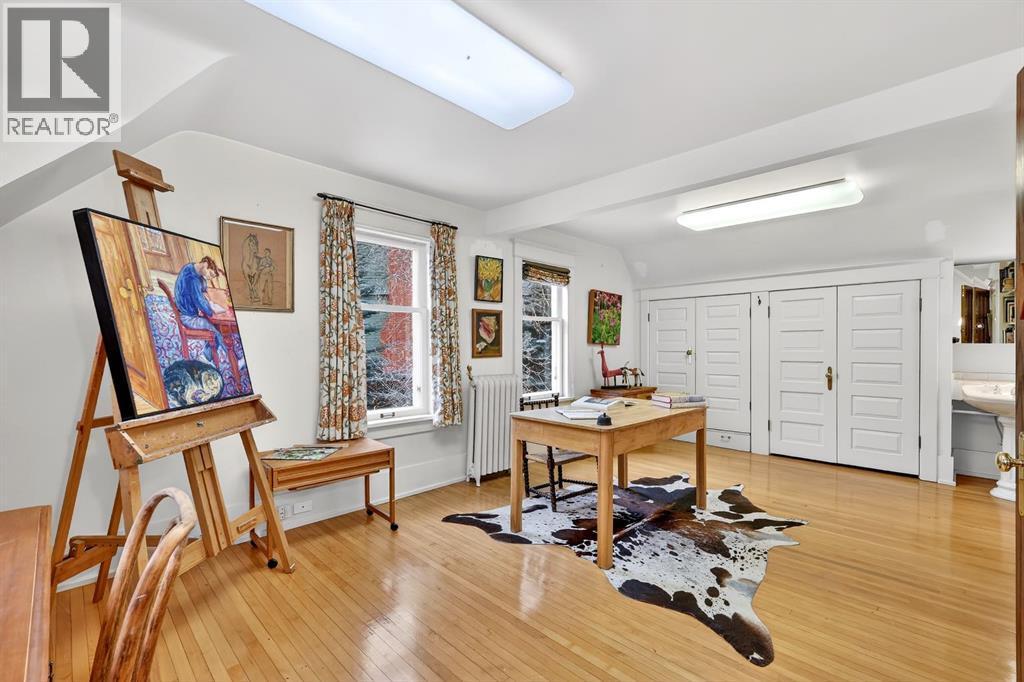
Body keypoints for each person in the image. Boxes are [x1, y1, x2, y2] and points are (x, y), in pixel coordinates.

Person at [173, 256, 228, 365]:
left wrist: (208, 301)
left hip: (186, 311)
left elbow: (203, 289)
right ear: (205, 264)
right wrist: (212, 311)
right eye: (210, 274)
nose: (209, 278)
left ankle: (207, 354)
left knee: (214, 324)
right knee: (216, 329)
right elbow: (199, 301)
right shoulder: (193, 279)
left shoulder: (191, 267)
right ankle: (209, 357)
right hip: (188, 317)